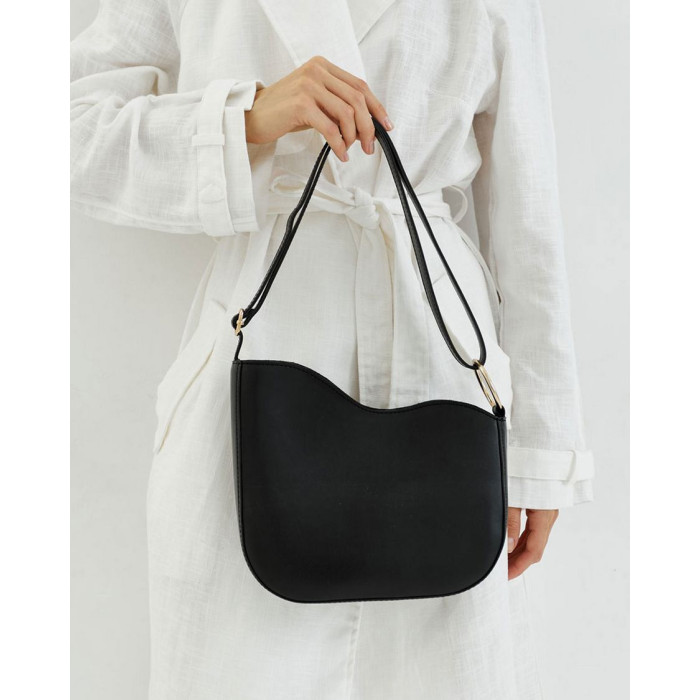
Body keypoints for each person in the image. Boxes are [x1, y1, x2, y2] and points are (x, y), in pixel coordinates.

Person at [71, 0, 595, 697]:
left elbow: (527, 215)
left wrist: (540, 455)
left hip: (442, 379)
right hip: (247, 391)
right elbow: (71, 128)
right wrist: (246, 120)